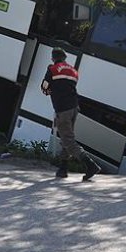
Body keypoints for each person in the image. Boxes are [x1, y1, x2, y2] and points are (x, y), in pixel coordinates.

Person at [41, 47, 101, 181]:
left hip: (63, 109)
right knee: (66, 138)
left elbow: (44, 87)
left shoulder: (52, 69)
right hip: (74, 107)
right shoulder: (73, 71)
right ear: (64, 58)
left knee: (68, 140)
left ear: (53, 58)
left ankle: (90, 164)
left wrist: (50, 88)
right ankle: (63, 168)